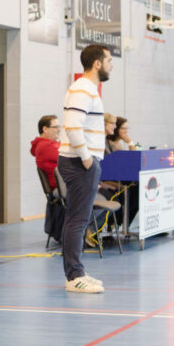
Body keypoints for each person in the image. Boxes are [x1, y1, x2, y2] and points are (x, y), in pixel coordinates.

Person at [57, 44, 112, 293]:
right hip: (79, 162)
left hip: (82, 161)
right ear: (97, 63)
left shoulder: (88, 89)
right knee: (77, 221)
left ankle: (77, 271)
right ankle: (74, 277)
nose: (111, 66)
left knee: (78, 219)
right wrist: (87, 158)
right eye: (109, 61)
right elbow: (72, 126)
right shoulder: (82, 89)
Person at [30, 115, 61, 189]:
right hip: (61, 187)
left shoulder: (50, 144)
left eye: (59, 127)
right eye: (56, 127)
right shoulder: (45, 146)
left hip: (65, 185)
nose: (59, 130)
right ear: (45, 129)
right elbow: (68, 157)